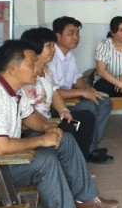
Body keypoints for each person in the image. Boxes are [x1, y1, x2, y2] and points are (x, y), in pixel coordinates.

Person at [0, 40, 119, 208]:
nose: (37, 69)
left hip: (1, 159)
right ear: (13, 69)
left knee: (64, 139)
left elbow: (30, 116)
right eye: (31, 64)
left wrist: (47, 128)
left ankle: (85, 197)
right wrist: (42, 140)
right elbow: (1, 147)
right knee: (45, 161)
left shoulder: (13, 90)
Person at [20, 27, 96, 158]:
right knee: (70, 129)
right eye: (49, 46)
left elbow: (54, 93)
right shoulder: (27, 75)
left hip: (49, 119)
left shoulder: (46, 70)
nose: (53, 50)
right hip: (36, 126)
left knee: (86, 117)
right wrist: (48, 124)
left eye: (53, 45)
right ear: (35, 48)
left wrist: (63, 111)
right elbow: (28, 111)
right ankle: (74, 160)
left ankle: (82, 158)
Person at [48, 16, 113, 163]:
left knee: (104, 101)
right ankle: (88, 150)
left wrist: (91, 90)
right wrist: (83, 93)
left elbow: (76, 79)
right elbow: (53, 93)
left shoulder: (69, 55)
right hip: (54, 104)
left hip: (67, 97)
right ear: (58, 36)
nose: (76, 37)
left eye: (77, 33)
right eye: (71, 33)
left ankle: (91, 146)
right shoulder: (51, 58)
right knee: (89, 106)